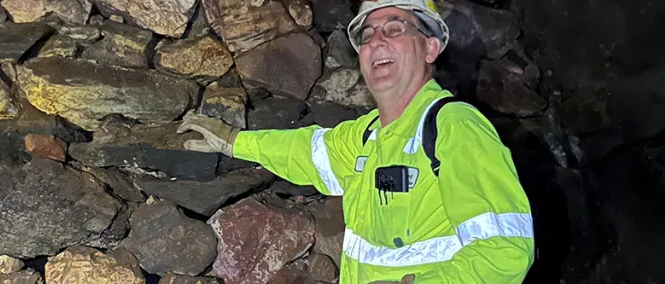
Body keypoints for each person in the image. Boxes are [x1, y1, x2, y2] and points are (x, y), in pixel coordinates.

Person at [176, 0, 535, 282]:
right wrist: (233, 140)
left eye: (394, 29)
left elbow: (506, 251)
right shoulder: (367, 135)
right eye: (367, 35)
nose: (376, 40)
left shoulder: (454, 127)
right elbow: (306, 152)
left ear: (430, 48)